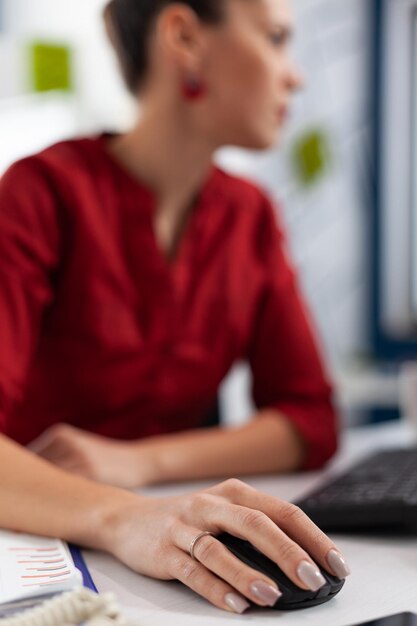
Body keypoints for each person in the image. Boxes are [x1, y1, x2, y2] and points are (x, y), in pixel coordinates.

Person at [0, 0, 349, 614]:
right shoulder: (39, 194)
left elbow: (310, 420)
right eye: (274, 38)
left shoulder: (250, 215)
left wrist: (136, 463)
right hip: (47, 563)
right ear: (184, 37)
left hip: (172, 560)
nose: (296, 75)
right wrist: (126, 518)